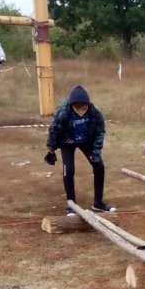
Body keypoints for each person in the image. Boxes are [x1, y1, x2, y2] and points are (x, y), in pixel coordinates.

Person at [44, 85, 115, 214]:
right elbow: (54, 130)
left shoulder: (95, 112)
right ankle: (71, 204)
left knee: (99, 166)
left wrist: (96, 151)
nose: (81, 110)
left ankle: (98, 203)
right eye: (78, 107)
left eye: (84, 106)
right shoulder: (63, 112)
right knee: (69, 170)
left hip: (86, 141)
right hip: (67, 142)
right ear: (72, 105)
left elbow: (100, 132)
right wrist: (51, 149)